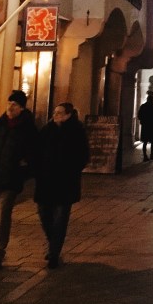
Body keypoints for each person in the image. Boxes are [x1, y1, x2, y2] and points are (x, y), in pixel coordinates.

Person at [0, 89, 39, 271]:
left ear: (21, 108)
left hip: (10, 178)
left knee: (3, 214)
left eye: (15, 104)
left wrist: (24, 170)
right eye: (9, 103)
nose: (10, 107)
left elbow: (34, 153)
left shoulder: (28, 129)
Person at [33, 102, 90, 268]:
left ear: (68, 115)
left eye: (59, 113)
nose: (56, 115)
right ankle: (53, 243)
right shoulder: (46, 130)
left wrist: (72, 170)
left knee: (60, 219)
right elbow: (37, 151)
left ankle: (54, 253)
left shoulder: (76, 131)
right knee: (44, 215)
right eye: (55, 112)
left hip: (65, 182)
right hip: (45, 181)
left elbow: (83, 155)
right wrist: (37, 169)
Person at [138, 91, 153, 161]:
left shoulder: (143, 106)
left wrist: (143, 121)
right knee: (152, 141)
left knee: (145, 142)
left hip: (145, 126)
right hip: (151, 126)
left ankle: (145, 156)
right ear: (152, 100)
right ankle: (151, 155)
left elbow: (139, 116)